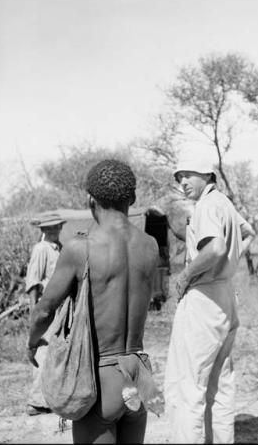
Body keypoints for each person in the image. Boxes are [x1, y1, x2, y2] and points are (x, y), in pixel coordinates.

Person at [27, 159, 160, 444]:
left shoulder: (80, 247)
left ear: (90, 199)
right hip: (139, 373)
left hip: (100, 380)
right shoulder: (150, 245)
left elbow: (44, 310)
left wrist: (31, 342)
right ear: (133, 198)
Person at [164, 158, 256, 443]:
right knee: (220, 382)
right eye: (179, 178)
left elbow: (215, 247)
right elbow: (248, 232)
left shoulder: (205, 205)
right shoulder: (224, 203)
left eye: (188, 175)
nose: (183, 183)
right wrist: (229, 263)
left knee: (187, 386)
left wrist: (186, 276)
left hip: (203, 295)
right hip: (224, 294)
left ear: (206, 174)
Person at [25, 212, 66, 416]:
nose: (54, 230)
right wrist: (35, 311)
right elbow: (33, 281)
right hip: (45, 306)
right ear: (42, 230)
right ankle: (36, 401)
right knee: (42, 349)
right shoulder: (41, 249)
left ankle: (52, 397)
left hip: (60, 306)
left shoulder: (59, 248)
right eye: (49, 227)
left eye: (57, 226)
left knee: (57, 350)